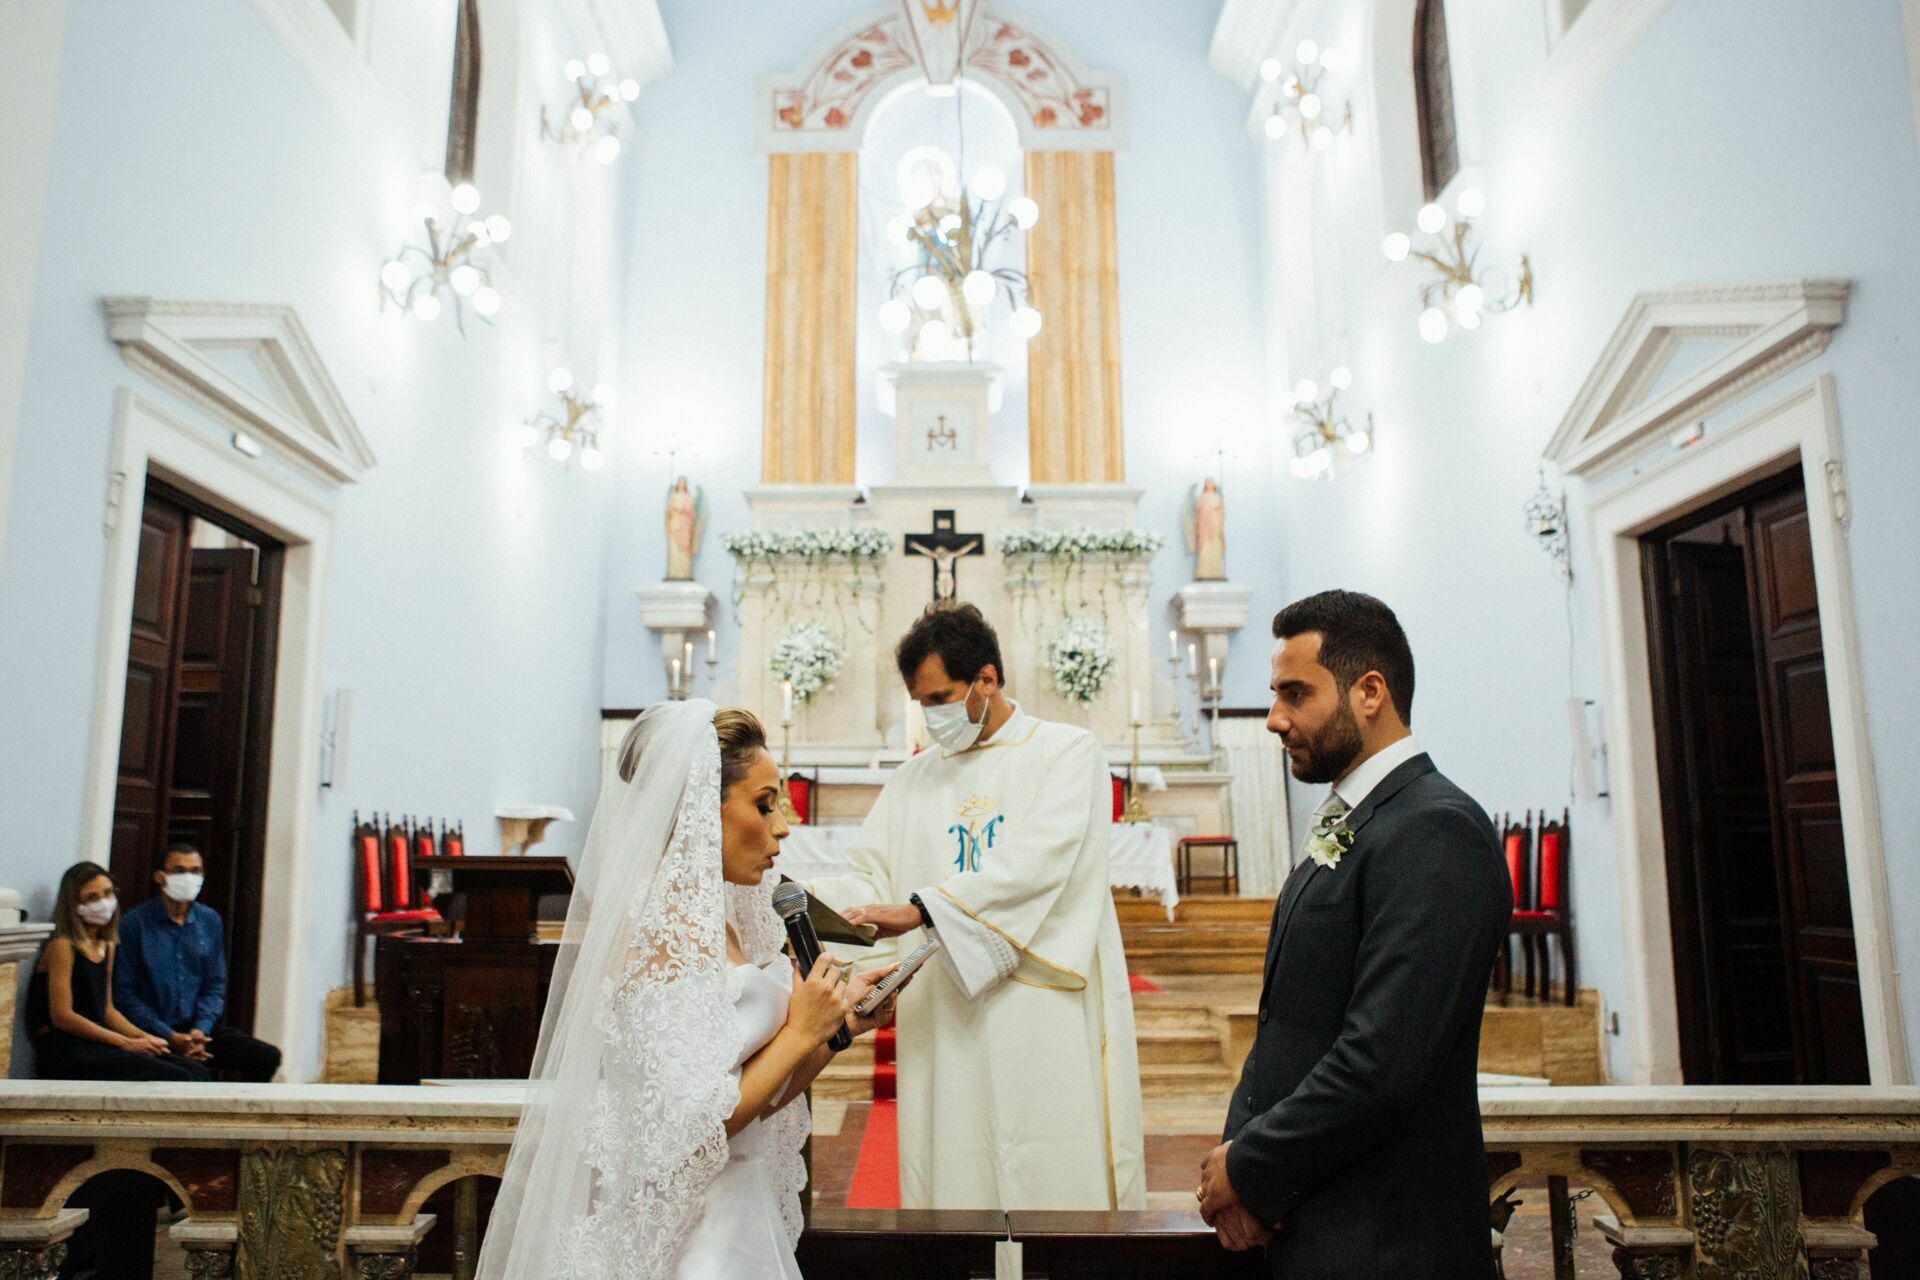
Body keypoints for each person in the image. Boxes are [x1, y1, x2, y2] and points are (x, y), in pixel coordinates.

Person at [477, 703, 903, 1280]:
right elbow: (687, 1130)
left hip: (738, 1212)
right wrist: (801, 1028)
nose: (782, 826)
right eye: (764, 803)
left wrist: (836, 1028)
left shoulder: (722, 916)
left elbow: (760, 1096)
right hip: (696, 1238)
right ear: (702, 806)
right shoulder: (655, 929)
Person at [1197, 591, 1509, 1277]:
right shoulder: (1357, 819)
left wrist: (1250, 1165)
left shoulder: (1436, 829)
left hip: (1386, 1241)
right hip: (1316, 1217)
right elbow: (1290, 1023)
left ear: (1370, 691)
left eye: (1294, 694)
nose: (1274, 719)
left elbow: (1382, 1059)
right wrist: (1248, 1174)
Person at [811, 602, 1147, 1211]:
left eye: (940, 698)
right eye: (921, 703)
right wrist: (788, 906)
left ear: (987, 679)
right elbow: (866, 876)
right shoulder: (911, 782)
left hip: (1039, 1004)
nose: (930, 716)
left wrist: (923, 908)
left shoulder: (1067, 753)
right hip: (944, 1009)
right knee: (954, 1168)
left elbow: (1045, 860)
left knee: (1047, 1163)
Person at [115, 842, 282, 1083]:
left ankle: (235, 1117)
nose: (188, 877)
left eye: (195, 871)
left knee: (266, 1057)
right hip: (151, 1031)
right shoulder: (134, 924)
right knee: (196, 1076)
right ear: (160, 877)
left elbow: (214, 984)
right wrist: (169, 1035)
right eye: (179, 870)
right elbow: (124, 994)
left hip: (197, 1029)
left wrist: (200, 1030)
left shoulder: (209, 920)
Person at [28, 861, 208, 1082]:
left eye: (107, 893)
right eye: (92, 898)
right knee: (176, 1076)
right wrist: (126, 1042)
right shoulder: (63, 945)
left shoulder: (107, 944)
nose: (103, 903)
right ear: (74, 904)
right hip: (66, 1045)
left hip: (98, 1039)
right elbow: (62, 1017)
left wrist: (146, 1037)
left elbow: (106, 1010)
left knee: (196, 1071)